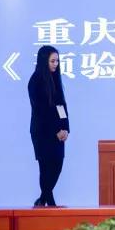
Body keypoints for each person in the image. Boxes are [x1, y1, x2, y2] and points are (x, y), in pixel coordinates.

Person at [28, 46, 70, 207]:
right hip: (42, 132)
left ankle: (42, 201)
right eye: (52, 61)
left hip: (59, 132)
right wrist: (55, 131)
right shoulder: (35, 81)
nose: (55, 64)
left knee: (57, 165)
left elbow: (62, 106)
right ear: (43, 61)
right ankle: (50, 204)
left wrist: (65, 128)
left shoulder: (55, 79)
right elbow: (41, 111)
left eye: (57, 61)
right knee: (45, 167)